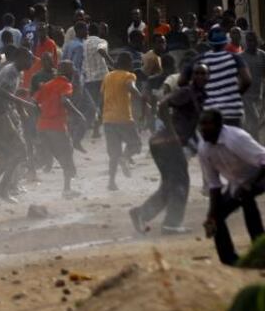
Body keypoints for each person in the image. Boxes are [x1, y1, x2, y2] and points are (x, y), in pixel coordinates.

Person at [130, 63, 208, 235]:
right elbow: (162, 104)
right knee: (181, 182)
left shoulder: (199, 95)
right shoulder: (187, 92)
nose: (201, 76)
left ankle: (141, 214)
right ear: (192, 76)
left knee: (170, 184)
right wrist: (173, 133)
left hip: (163, 143)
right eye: (197, 73)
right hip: (167, 142)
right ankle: (172, 224)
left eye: (204, 73)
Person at [198, 109, 265, 266]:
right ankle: (229, 259)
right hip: (238, 184)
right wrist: (211, 215)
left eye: (208, 124)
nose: (203, 128)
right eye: (201, 124)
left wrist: (251, 184)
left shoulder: (236, 138)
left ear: (219, 126)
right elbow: (214, 185)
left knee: (246, 197)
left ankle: (260, 251)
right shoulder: (204, 148)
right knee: (218, 216)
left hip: (260, 176)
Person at [0, 49, 36, 205]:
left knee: (7, 154)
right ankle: (1, 189)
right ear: (21, 57)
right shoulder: (12, 71)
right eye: (30, 59)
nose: (31, 63)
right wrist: (24, 102)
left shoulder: (12, 71)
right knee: (20, 150)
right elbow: (1, 91)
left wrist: (18, 93)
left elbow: (2, 90)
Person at [179, 26, 251, 127]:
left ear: (209, 43)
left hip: (209, 114)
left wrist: (197, 95)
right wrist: (235, 94)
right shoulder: (235, 58)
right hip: (233, 113)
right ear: (226, 42)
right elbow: (247, 80)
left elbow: (181, 81)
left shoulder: (200, 59)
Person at [34, 61, 85, 198]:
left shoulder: (47, 85)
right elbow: (64, 100)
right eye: (73, 69)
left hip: (42, 127)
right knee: (67, 157)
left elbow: (35, 102)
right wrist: (78, 114)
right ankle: (67, 190)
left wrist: (44, 114)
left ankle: (15, 178)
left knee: (43, 159)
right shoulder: (66, 84)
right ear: (69, 72)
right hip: (57, 127)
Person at [102, 53, 143, 191]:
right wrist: (141, 98)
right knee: (136, 144)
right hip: (124, 117)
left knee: (114, 153)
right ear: (128, 64)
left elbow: (102, 94)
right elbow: (131, 87)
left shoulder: (108, 76)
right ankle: (125, 158)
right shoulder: (129, 75)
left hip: (108, 119)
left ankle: (111, 183)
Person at [83, 23, 112, 137]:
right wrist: (112, 62)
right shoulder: (101, 41)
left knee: (93, 104)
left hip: (88, 79)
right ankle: (96, 128)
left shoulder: (83, 43)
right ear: (98, 32)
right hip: (101, 78)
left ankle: (92, 126)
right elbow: (101, 50)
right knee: (103, 104)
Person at [242, 32, 265, 142]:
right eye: (249, 40)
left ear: (258, 41)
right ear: (246, 42)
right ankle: (257, 146)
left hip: (259, 95)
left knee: (254, 122)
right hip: (246, 95)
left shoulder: (262, 55)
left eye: (253, 40)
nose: (251, 43)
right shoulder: (241, 57)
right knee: (254, 120)